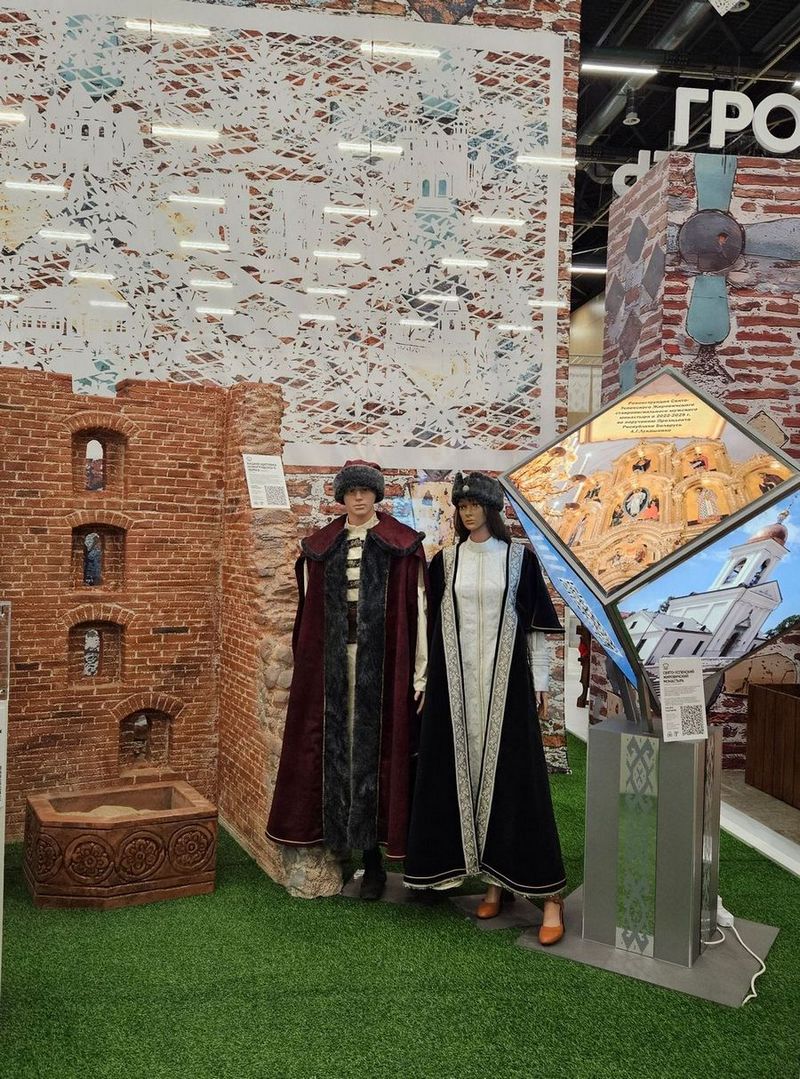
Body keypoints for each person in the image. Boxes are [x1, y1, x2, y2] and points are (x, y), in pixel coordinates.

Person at [403, 472, 567, 945]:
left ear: (492, 509)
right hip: (455, 689)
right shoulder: (445, 561)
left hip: (507, 686)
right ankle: (495, 880)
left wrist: (540, 684)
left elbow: (535, 628)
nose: (468, 511)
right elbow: (428, 627)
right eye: (462, 505)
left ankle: (549, 895)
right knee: (463, 778)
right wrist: (423, 679)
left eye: (475, 504)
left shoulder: (519, 560)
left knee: (518, 782)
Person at [267, 460, 428, 900]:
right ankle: (338, 843)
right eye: (352, 491)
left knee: (375, 753)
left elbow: (419, 613)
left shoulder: (401, 545)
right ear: (341, 497)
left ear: (377, 495)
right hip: (333, 668)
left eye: (366, 490)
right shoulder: (321, 548)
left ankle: (374, 861)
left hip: (385, 668)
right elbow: (307, 615)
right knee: (340, 748)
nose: (359, 498)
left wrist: (421, 675)